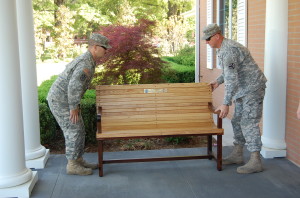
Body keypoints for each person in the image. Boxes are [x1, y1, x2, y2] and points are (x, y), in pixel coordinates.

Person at [202, 23, 267, 174]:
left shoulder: (229, 49)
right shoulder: (223, 49)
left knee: (249, 122)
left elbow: (232, 79)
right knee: (237, 120)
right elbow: (229, 72)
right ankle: (238, 154)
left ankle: (255, 160)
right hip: (242, 90)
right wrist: (218, 81)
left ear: (217, 36)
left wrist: (225, 103)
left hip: (252, 89)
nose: (206, 42)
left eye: (208, 38)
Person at [47, 33, 111, 175]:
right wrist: (73, 107)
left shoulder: (89, 60)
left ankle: (78, 159)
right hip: (61, 101)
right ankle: (72, 165)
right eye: (104, 48)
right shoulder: (85, 63)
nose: (106, 50)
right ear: (95, 47)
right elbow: (74, 86)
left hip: (65, 99)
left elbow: (79, 83)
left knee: (79, 128)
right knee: (73, 130)